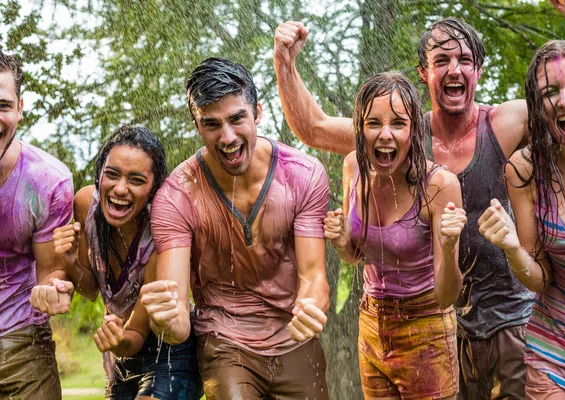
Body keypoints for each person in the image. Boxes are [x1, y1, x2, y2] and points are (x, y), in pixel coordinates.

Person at [273, 2, 565, 397]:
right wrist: (285, 63)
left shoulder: (507, 123)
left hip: (511, 327)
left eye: (465, 59)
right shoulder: (400, 134)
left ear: (478, 71)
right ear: (424, 74)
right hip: (435, 332)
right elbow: (315, 128)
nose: (454, 69)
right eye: (441, 60)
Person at [140, 57, 330, 400]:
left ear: (257, 112)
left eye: (237, 118)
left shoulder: (304, 175)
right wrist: (164, 319)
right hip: (224, 340)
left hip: (294, 337)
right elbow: (179, 322)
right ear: (197, 126)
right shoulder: (177, 195)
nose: (227, 137)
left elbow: (314, 275)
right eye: (211, 124)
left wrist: (311, 307)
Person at [323, 71, 466, 399]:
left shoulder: (439, 186)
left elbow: (447, 297)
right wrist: (342, 240)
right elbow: (355, 256)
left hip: (426, 326)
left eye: (398, 123)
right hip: (371, 325)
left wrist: (449, 241)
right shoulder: (352, 169)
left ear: (414, 130)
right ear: (360, 128)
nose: (385, 135)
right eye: (373, 123)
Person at [41, 126, 201, 400]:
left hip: (168, 351)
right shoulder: (85, 205)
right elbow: (91, 289)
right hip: (121, 352)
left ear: (153, 188)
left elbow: (137, 333)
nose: (120, 189)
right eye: (112, 174)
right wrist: (69, 261)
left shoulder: (161, 234)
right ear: (99, 172)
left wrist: (118, 341)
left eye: (136, 180)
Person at [478, 38, 565, 398]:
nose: (564, 100)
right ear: (538, 106)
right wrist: (513, 249)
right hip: (553, 348)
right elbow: (541, 277)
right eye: (550, 92)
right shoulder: (526, 169)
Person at [0, 50, 74, 399]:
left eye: (2, 105)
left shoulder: (48, 181)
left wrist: (54, 289)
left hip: (24, 339)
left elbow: (51, 271)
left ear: (20, 107)